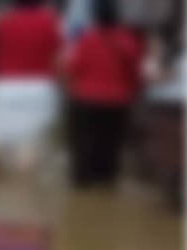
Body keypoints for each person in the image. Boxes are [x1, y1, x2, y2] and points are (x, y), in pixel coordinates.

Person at [65, 0, 142, 187]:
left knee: (83, 149)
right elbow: (134, 73)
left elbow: (74, 68)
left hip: (85, 101)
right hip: (117, 102)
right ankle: (106, 185)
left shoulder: (86, 39)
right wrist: (132, 93)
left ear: (96, 17)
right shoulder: (128, 41)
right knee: (110, 149)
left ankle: (82, 189)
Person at [0, 0, 63, 165]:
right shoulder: (49, 22)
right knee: (32, 145)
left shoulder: (2, 22)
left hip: (5, 85)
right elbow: (57, 53)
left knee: (4, 143)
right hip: (39, 86)